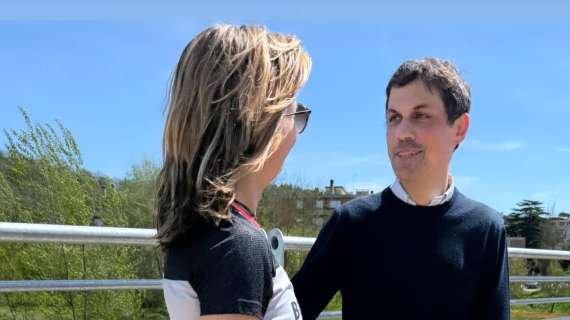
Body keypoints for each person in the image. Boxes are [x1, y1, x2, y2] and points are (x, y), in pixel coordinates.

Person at [292, 58, 510, 319]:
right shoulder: (350, 223)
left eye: (420, 116)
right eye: (394, 118)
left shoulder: (486, 228)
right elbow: (293, 312)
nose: (402, 132)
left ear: (460, 128)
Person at [156, 24, 311, 320]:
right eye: (296, 112)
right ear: (263, 120)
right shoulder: (235, 246)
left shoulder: (210, 233)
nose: (296, 132)